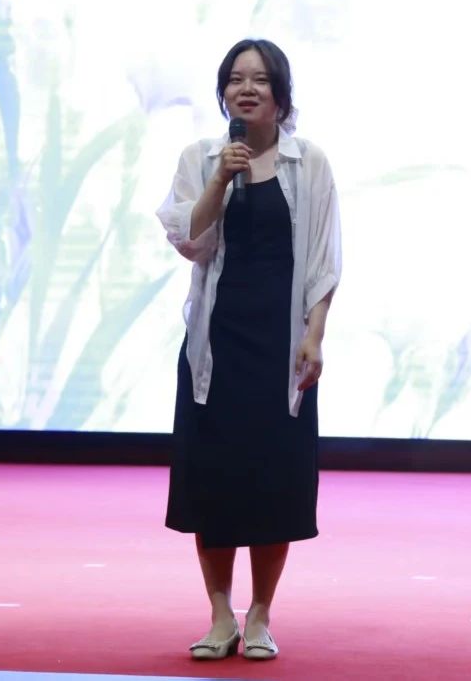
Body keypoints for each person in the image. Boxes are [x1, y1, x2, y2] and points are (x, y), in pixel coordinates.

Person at [156, 38, 341, 661]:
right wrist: (219, 179)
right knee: (214, 481)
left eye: (260, 80)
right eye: (236, 79)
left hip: (280, 347)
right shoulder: (203, 157)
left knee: (273, 482)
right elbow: (190, 241)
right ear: (223, 94)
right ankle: (219, 616)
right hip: (217, 347)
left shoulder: (308, 163)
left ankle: (259, 615)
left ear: (280, 96)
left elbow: (324, 259)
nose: (247, 89)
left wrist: (315, 335)